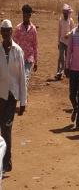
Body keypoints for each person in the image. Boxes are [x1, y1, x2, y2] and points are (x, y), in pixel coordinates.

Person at [0, 19, 27, 174]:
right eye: (3, 30)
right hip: (0, 94)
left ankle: (6, 161)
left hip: (12, 95)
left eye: (8, 30)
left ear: (11, 32)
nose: (5, 33)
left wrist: (23, 101)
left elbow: (22, 76)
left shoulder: (18, 51)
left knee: (7, 128)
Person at [14, 4, 38, 97]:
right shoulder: (18, 28)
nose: (25, 17)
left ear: (30, 15)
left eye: (27, 15)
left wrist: (36, 61)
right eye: (23, 15)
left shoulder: (33, 29)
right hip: (19, 58)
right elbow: (14, 44)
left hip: (29, 58)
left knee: (25, 78)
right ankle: (23, 96)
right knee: (19, 79)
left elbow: (35, 45)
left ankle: (23, 100)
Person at [56, 4, 74, 80]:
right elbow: (59, 32)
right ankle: (59, 71)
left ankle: (67, 71)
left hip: (68, 42)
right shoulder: (61, 20)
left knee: (67, 57)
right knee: (61, 57)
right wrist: (58, 42)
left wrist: (68, 34)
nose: (65, 14)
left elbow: (73, 31)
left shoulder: (71, 20)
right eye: (64, 13)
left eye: (66, 13)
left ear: (68, 13)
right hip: (62, 41)